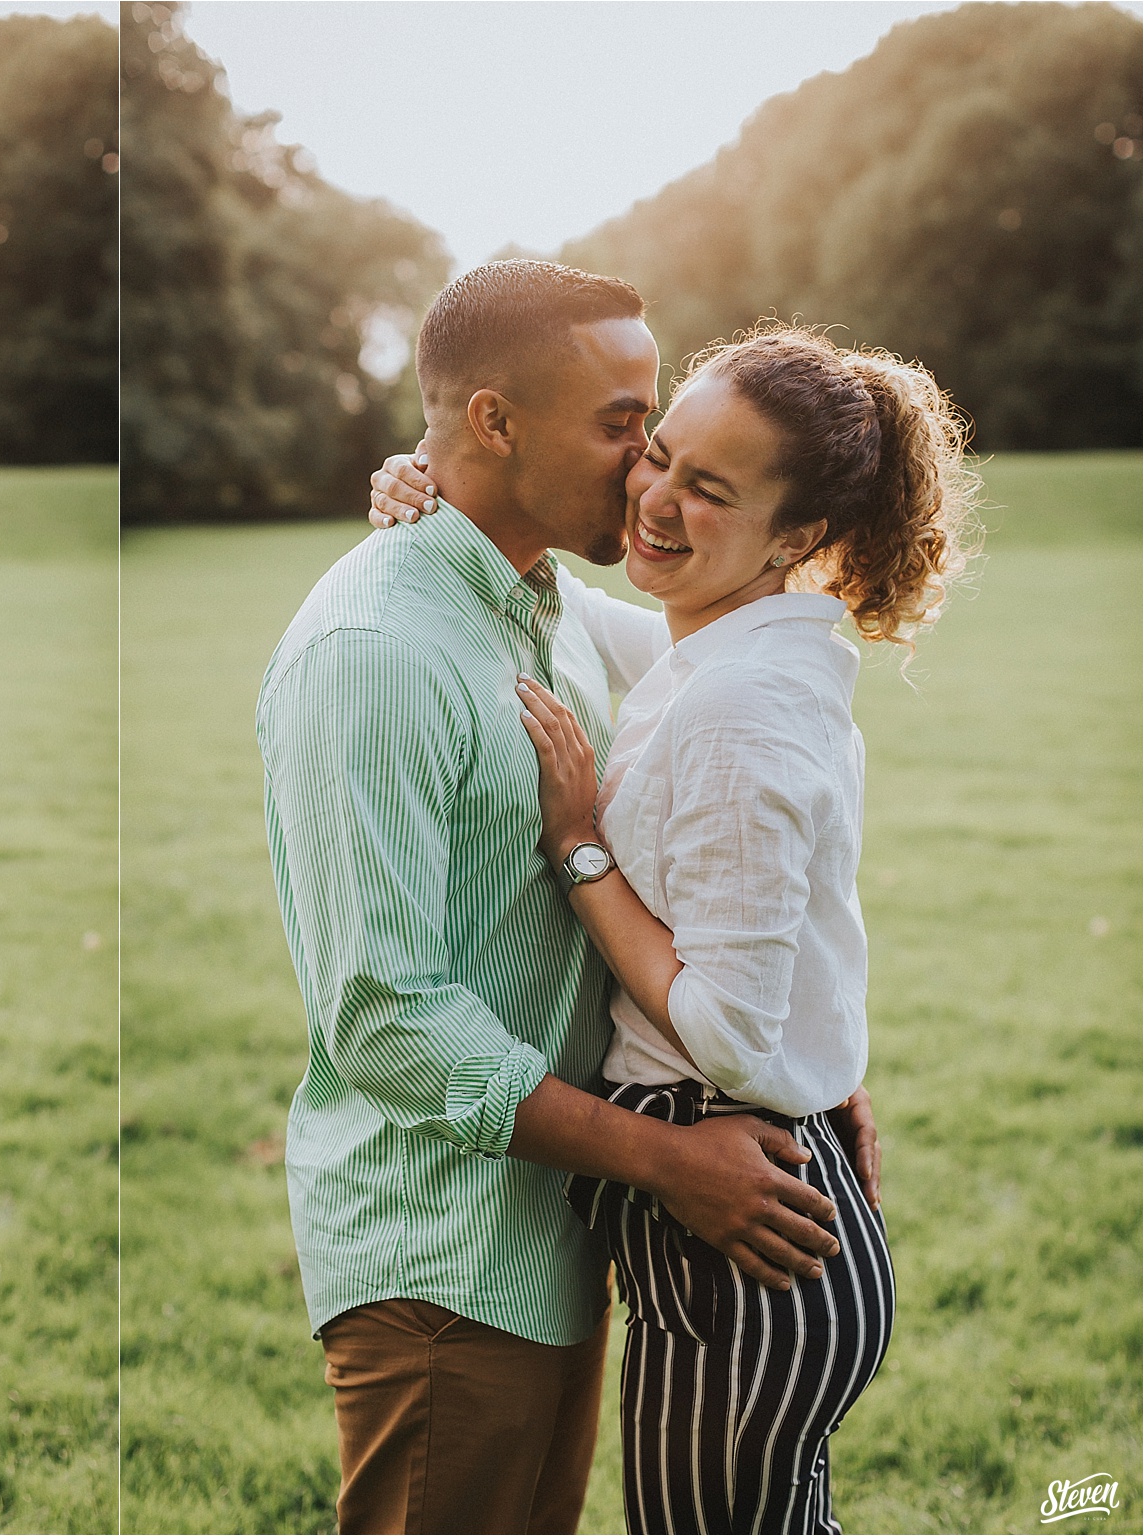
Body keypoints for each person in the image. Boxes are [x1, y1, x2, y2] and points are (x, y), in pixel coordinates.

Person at [256, 260, 856, 1536]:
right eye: (618, 425)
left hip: (557, 1236)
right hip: (444, 1262)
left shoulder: (546, 607)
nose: (641, 466)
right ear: (492, 421)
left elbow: (745, 671)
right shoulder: (372, 654)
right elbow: (382, 1019)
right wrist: (668, 1162)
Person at [371, 322, 971, 1533]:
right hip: (770, 1243)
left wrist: (579, 848)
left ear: (797, 536)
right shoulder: (723, 649)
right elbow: (582, 620)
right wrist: (442, 513)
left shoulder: (740, 715)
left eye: (709, 488)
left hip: (742, 1249)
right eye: (657, 455)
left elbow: (734, 1036)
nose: (651, 496)